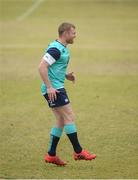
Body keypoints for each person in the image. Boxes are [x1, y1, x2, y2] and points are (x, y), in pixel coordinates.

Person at [38, 22, 96, 166]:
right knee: (69, 116)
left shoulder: (61, 48)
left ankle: (51, 155)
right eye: (73, 33)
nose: (75, 35)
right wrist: (50, 87)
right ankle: (78, 151)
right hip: (54, 90)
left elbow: (53, 67)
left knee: (61, 119)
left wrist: (65, 75)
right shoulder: (55, 49)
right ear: (65, 34)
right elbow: (41, 67)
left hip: (56, 87)